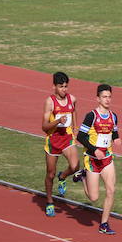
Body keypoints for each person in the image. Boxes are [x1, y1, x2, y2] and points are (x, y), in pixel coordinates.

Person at [73, 84, 120, 235]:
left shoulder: (113, 116)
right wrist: (94, 150)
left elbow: (114, 132)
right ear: (98, 99)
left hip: (107, 158)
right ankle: (83, 176)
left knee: (111, 190)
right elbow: (80, 136)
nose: (107, 100)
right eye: (104, 97)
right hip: (92, 159)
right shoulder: (91, 116)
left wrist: (117, 139)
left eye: (109, 97)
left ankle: (104, 224)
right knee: (93, 197)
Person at [42, 72, 80, 217]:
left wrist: (75, 130)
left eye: (66, 86)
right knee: (50, 174)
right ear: (54, 87)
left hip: (67, 139)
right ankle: (50, 201)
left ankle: (63, 177)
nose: (64, 89)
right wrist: (58, 121)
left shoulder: (72, 99)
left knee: (75, 166)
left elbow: (74, 111)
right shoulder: (50, 102)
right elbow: (44, 127)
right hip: (53, 141)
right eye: (61, 87)